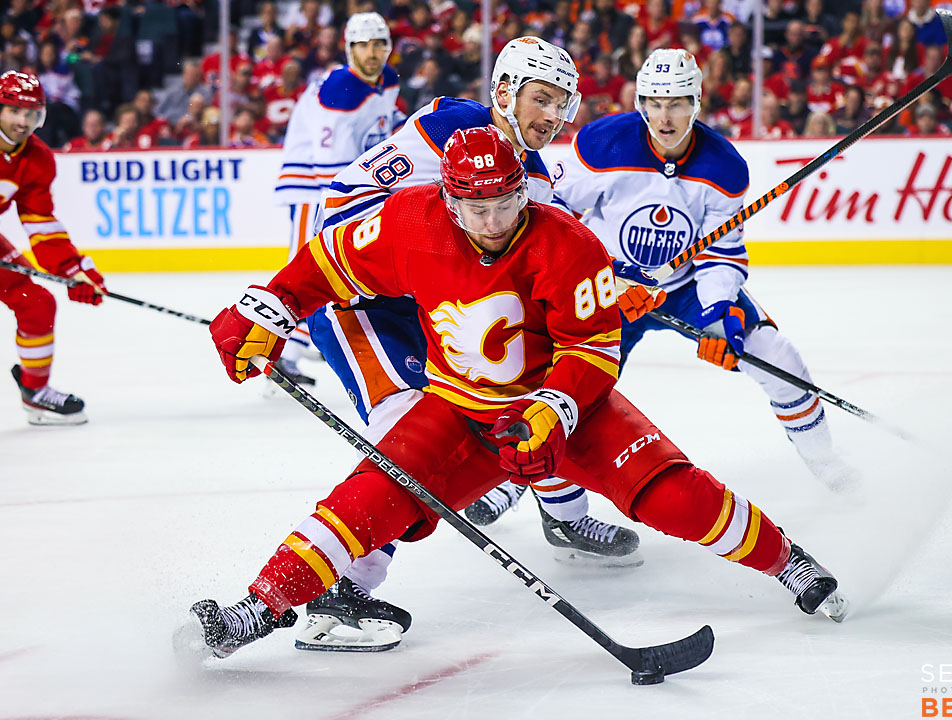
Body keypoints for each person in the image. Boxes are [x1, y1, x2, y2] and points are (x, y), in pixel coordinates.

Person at [178, 125, 849, 662]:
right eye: (477, 207)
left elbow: (593, 348)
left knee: (671, 494)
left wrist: (552, 411)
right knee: (365, 501)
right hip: (458, 410)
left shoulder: (569, 245)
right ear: (448, 198)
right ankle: (255, 610)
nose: (494, 219)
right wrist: (267, 306)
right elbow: (325, 265)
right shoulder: (409, 222)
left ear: (523, 190)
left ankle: (788, 562)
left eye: (505, 202)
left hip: (567, 411)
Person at [292, 36, 642, 651]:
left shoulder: (531, 176)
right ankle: (338, 594)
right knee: (411, 446)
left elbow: (546, 257)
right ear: (504, 92)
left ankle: (564, 516)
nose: (553, 116)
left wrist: (614, 284)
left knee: (526, 389)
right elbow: (340, 213)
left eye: (562, 103)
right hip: (362, 307)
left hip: (434, 311)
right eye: (541, 99)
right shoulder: (449, 127)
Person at [548, 49, 855, 494]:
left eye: (676, 104)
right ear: (640, 102)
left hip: (687, 287)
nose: (664, 117)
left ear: (696, 102)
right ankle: (522, 489)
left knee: (777, 357)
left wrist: (718, 311)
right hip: (611, 287)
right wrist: (604, 270)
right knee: (564, 389)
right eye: (654, 103)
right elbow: (554, 211)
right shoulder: (602, 143)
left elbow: (720, 252)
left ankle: (826, 463)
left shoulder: (723, 167)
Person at [0, 71, 106, 424]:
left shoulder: (37, 160)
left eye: (31, 113)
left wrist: (75, 271)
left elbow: (41, 224)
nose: (22, 121)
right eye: (15, 111)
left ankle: (36, 393)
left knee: (37, 303)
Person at [272, 12, 401, 383]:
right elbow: (328, 165)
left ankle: (298, 340)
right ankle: (281, 349)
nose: (372, 53)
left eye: (378, 44)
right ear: (349, 48)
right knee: (304, 262)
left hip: (348, 182)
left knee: (330, 262)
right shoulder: (340, 89)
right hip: (312, 184)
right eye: (363, 45)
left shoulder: (387, 79)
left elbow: (385, 123)